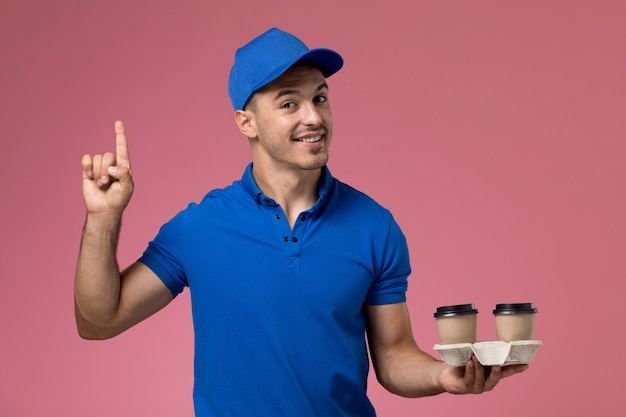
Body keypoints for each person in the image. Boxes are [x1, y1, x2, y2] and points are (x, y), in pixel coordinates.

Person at [75, 28, 528, 416]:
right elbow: (99, 320)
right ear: (246, 122)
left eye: (320, 97)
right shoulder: (199, 229)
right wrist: (103, 218)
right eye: (289, 103)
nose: (313, 116)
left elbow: (393, 357)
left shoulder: (375, 226)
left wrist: (445, 376)